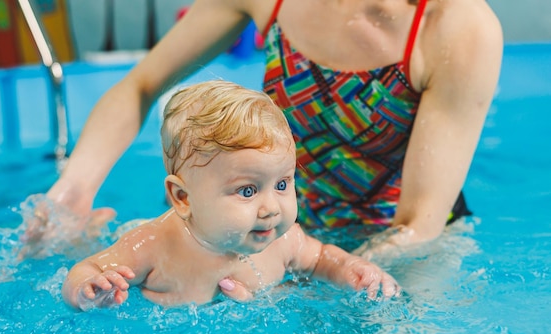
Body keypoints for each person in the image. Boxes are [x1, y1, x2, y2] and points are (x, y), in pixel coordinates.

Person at [37, 0, 502, 258]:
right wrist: (72, 193)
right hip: (267, 223)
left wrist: (322, 272)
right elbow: (140, 85)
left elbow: (418, 226)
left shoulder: (457, 28)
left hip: (400, 249)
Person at [61, 81, 400, 310]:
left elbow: (322, 258)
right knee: (93, 243)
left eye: (282, 184)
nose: (271, 208)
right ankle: (89, 229)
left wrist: (354, 270)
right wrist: (88, 288)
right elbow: (84, 270)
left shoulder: (281, 241)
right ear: (183, 197)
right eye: (248, 190)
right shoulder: (152, 245)